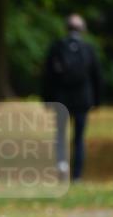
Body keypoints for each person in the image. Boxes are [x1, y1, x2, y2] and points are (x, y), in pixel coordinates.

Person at [41, 14, 102, 181]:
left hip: (61, 98)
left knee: (60, 135)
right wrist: (96, 100)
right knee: (79, 137)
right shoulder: (88, 49)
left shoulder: (57, 47)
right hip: (83, 99)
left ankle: (62, 165)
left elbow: (48, 76)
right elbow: (96, 76)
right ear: (82, 29)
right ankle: (77, 175)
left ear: (66, 28)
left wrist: (47, 99)